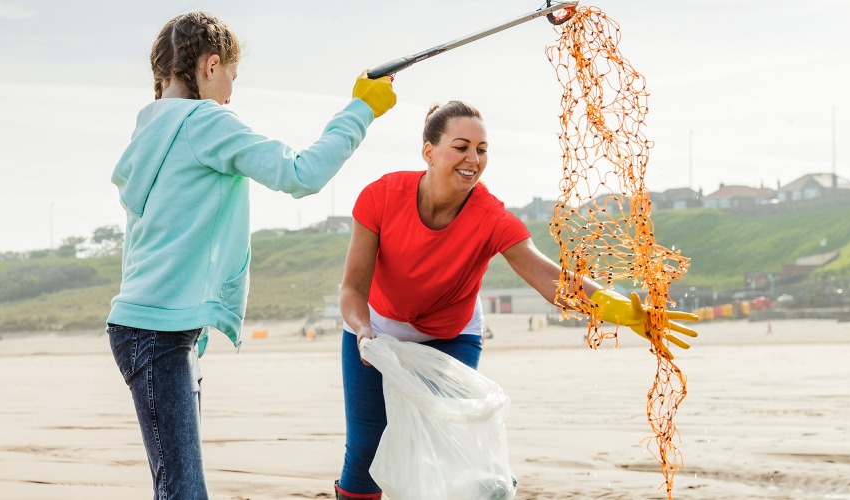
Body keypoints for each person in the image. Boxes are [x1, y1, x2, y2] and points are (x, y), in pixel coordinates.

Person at [331, 101, 700, 499]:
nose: (473, 159)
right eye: (461, 147)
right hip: (375, 330)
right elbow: (353, 288)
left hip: (450, 334)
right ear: (429, 151)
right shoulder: (381, 196)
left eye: (482, 149)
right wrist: (364, 330)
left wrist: (622, 311)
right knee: (366, 452)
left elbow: (550, 279)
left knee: (454, 444)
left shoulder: (490, 217)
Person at [106, 11, 396, 499]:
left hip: (151, 327)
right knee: (183, 490)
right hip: (156, 331)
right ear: (210, 65)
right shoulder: (206, 122)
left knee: (176, 486)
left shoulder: (148, 136)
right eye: (231, 78)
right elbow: (300, 174)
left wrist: (191, 319)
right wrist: (360, 110)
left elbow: (141, 244)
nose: (230, 93)